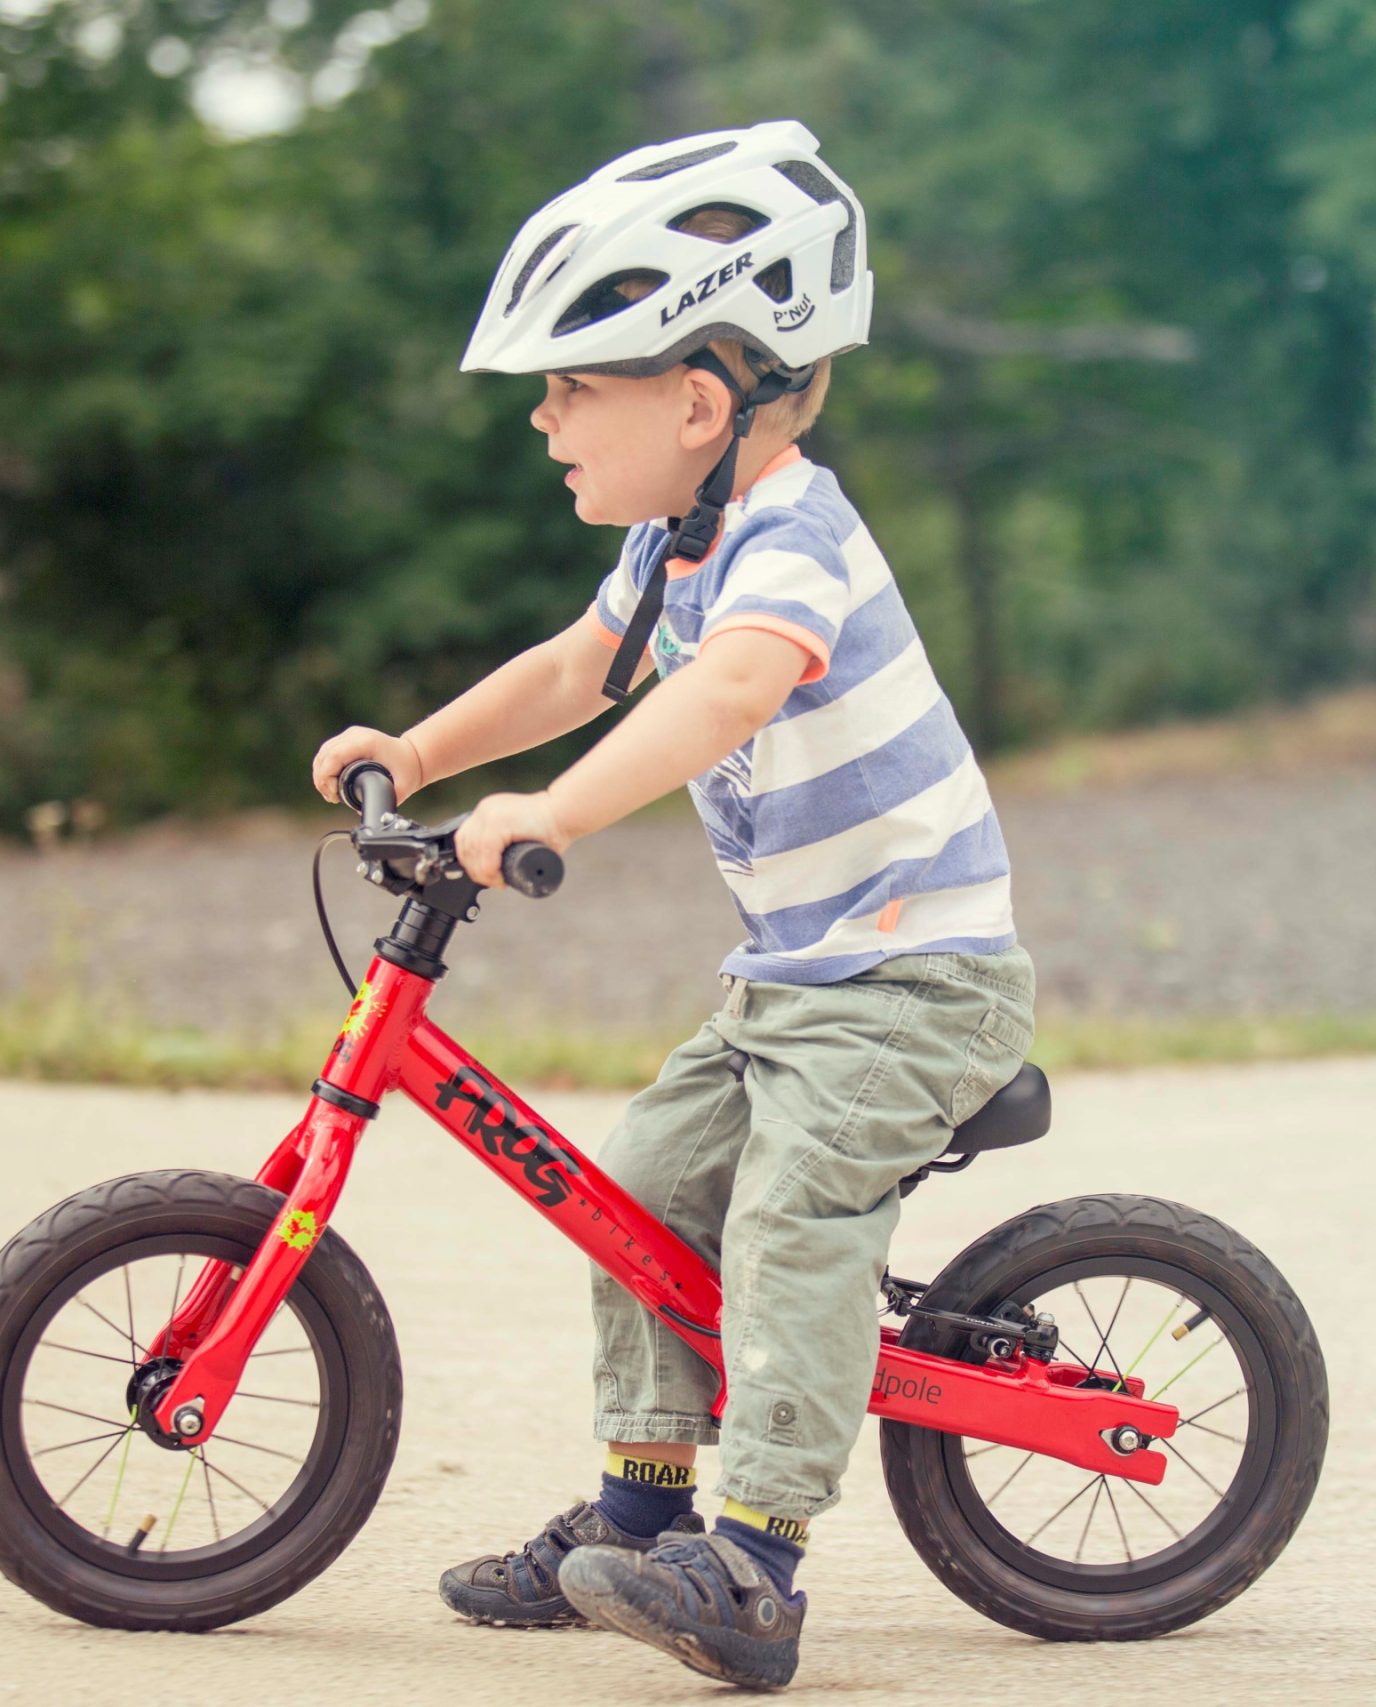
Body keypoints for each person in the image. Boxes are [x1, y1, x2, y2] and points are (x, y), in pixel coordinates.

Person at [309, 119, 1034, 1691]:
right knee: (632, 1187)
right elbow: (582, 670)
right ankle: (639, 1528)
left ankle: (758, 1569)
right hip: (800, 980)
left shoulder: (795, 541)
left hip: (919, 986)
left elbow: (725, 696)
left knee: (786, 1222)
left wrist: (554, 813)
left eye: (572, 388)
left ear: (698, 401)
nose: (545, 422)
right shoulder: (674, 537)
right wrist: (421, 754)